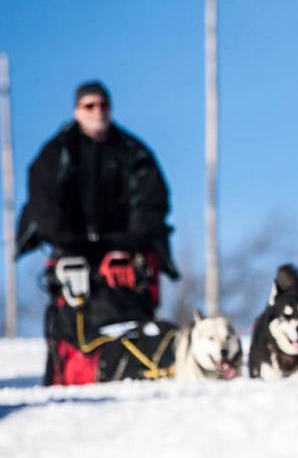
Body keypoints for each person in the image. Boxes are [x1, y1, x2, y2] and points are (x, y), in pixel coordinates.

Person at [16, 81, 179, 385]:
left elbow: (153, 205)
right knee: (71, 327)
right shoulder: (57, 153)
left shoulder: (134, 152)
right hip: (72, 253)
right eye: (89, 106)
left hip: (128, 255)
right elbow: (44, 204)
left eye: (103, 105)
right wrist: (73, 245)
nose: (97, 112)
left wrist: (125, 248)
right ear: (77, 110)